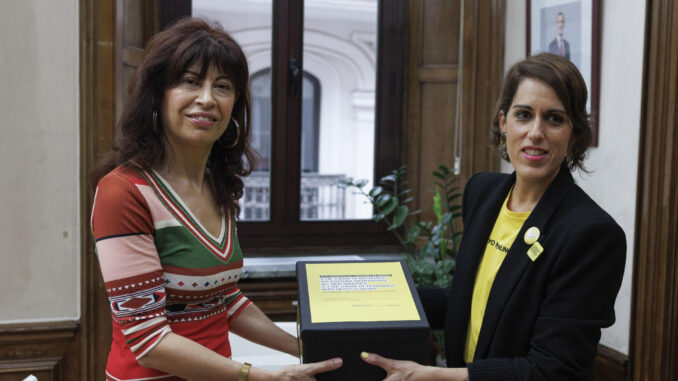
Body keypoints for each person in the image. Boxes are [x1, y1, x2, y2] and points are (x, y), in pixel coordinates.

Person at [90, 18, 342, 381]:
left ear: (234, 104)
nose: (207, 99)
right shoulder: (123, 192)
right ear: (157, 95)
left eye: (222, 86)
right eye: (190, 81)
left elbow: (225, 300)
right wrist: (261, 376)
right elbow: (148, 340)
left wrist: (303, 348)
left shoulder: (220, 187)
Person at [361, 53, 626, 380]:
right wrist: (373, 295)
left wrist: (432, 376)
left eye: (554, 119)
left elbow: (553, 370)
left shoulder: (591, 234)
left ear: (573, 131)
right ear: (503, 123)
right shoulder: (483, 193)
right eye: (524, 115)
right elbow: (466, 299)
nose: (535, 132)